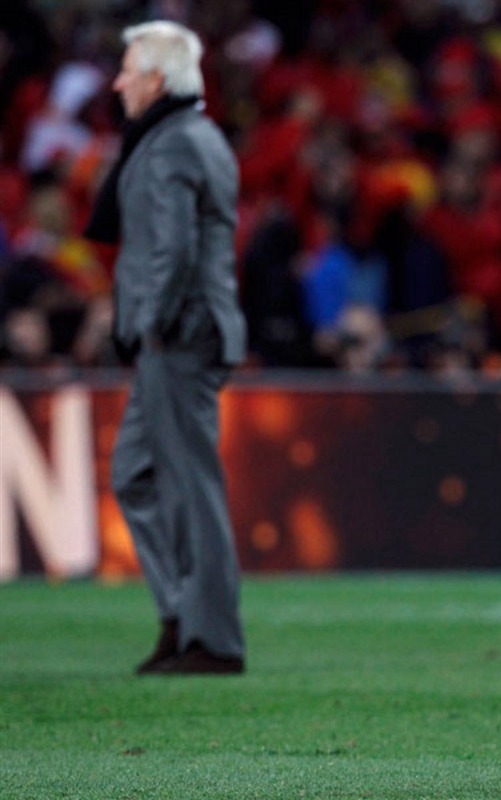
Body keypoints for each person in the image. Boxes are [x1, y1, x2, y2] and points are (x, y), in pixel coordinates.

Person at [86, 20, 247, 674]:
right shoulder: (188, 137)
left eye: (128, 69)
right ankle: (182, 615)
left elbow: (172, 249)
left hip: (179, 335)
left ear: (156, 78)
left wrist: (143, 321)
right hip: (180, 330)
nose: (119, 81)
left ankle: (212, 639)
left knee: (189, 484)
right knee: (137, 473)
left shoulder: (174, 143)